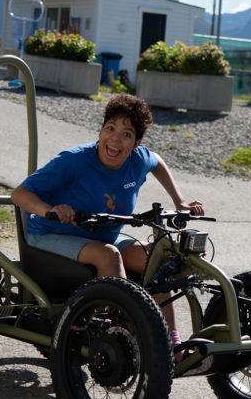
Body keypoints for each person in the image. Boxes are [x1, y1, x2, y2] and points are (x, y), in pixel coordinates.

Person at [11, 93, 204, 362]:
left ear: (136, 144)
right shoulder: (74, 160)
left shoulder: (138, 160)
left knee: (157, 257)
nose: (115, 139)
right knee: (108, 255)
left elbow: (157, 161)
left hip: (101, 239)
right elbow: (19, 194)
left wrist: (179, 201)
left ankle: (172, 344)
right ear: (101, 129)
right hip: (49, 236)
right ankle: (127, 332)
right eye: (110, 128)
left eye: (126, 134)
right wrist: (50, 210)